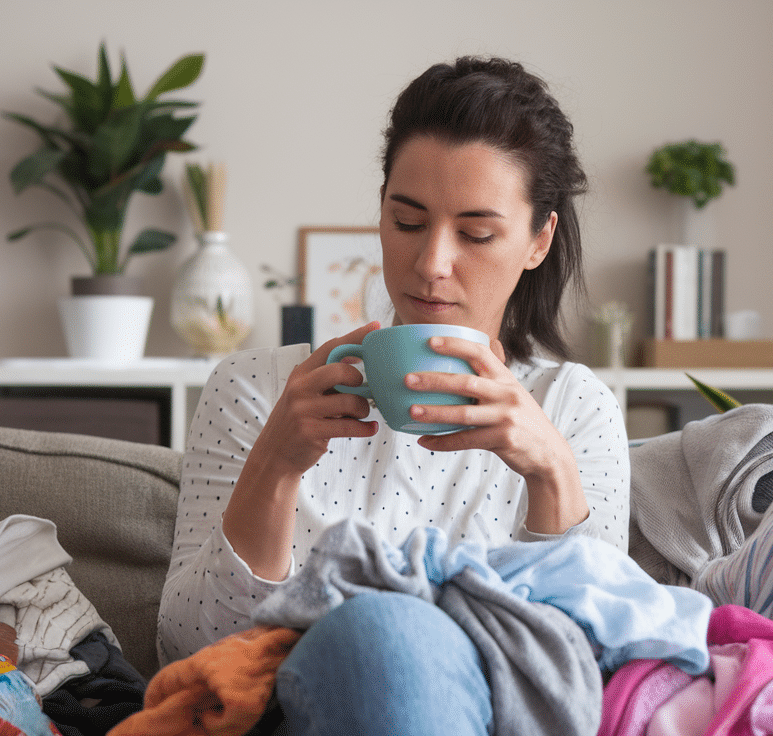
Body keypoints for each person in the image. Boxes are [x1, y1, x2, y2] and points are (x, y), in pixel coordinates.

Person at [158, 56, 630, 734]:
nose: (432, 263)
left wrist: (551, 476)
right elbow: (183, 651)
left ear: (538, 240)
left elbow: (594, 677)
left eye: (477, 233)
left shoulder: (573, 409)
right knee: (382, 631)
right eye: (407, 221)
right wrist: (277, 463)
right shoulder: (257, 392)